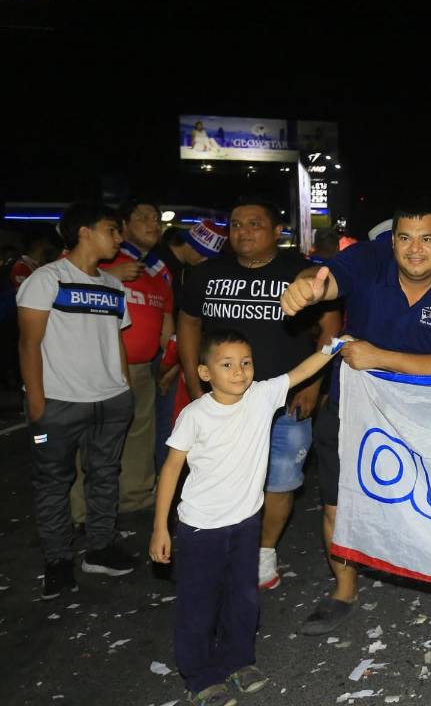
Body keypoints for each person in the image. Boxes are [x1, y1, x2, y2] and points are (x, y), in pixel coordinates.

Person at [280, 205, 431, 651]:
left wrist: (379, 357)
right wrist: (306, 286)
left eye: (427, 238)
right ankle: (343, 591)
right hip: (356, 404)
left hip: (428, 406)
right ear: (391, 241)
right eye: (405, 238)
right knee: (337, 502)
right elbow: (326, 280)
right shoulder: (369, 259)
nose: (415, 249)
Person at [150, 329, 346, 706]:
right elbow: (171, 469)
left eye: (245, 362)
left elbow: (301, 372)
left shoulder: (261, 396)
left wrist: (333, 347)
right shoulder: (195, 415)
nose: (239, 371)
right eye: (227, 365)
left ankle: (239, 661)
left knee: (243, 599)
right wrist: (161, 527)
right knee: (199, 606)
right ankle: (200, 677)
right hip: (200, 529)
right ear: (205, 372)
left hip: (245, 525)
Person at [178, 199, 340, 591]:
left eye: (254, 224)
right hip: (223, 404)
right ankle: (226, 548)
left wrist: (314, 384)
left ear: (276, 231)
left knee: (281, 479)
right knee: (222, 479)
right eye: (236, 224)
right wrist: (194, 382)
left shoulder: (298, 272)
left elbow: (331, 325)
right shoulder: (206, 274)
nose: (243, 231)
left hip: (285, 401)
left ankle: (264, 551)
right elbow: (188, 323)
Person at [17, 202, 137, 600]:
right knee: (54, 483)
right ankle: (57, 561)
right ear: (84, 232)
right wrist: (37, 402)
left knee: (105, 474)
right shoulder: (46, 279)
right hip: (59, 402)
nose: (118, 238)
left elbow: (116, 340)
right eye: (111, 230)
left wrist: (123, 387)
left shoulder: (113, 285)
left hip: (110, 400)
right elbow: (29, 343)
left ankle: (100, 548)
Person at [69, 200, 174, 518]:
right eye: (143, 217)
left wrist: (168, 361)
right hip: (98, 366)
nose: (153, 223)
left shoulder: (158, 270)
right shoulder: (99, 259)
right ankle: (83, 511)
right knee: (92, 439)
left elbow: (166, 318)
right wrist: (109, 274)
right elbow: (65, 284)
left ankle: (134, 497)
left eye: (156, 218)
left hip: (142, 368)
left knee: (139, 433)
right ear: (124, 226)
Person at [153, 220, 227, 470]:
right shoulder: (165, 268)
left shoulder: (182, 269)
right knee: (170, 421)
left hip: (175, 354)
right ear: (194, 247)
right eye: (204, 256)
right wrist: (172, 363)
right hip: (167, 354)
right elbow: (177, 321)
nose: (205, 263)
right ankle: (166, 475)